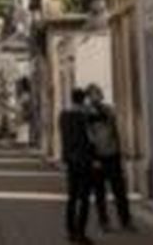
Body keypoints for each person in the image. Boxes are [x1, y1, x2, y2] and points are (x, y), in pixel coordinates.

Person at [85, 85, 134, 232]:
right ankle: (104, 222)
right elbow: (88, 137)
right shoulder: (87, 113)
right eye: (95, 94)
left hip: (113, 154)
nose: (99, 96)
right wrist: (93, 158)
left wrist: (121, 150)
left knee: (120, 191)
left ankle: (125, 221)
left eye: (99, 93)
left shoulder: (109, 110)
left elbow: (116, 131)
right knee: (100, 193)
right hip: (98, 157)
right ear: (89, 96)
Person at [59, 88, 96, 244]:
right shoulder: (85, 117)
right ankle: (81, 233)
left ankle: (71, 231)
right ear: (83, 100)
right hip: (84, 160)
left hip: (70, 160)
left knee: (72, 197)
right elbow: (92, 138)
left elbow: (64, 136)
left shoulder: (63, 116)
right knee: (84, 198)